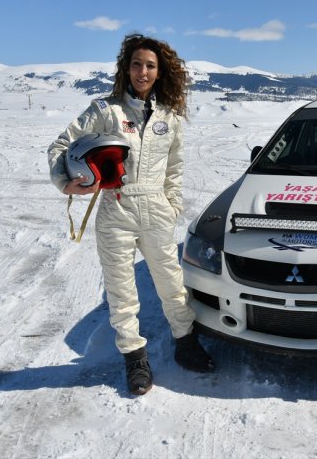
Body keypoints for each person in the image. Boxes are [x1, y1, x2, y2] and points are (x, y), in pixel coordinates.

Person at [47, 33, 214, 396]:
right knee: (121, 290)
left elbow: (175, 168)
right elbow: (62, 144)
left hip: (155, 208)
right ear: (127, 68)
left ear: (160, 72)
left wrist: (171, 206)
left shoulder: (169, 117)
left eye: (150, 66)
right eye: (136, 64)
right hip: (116, 208)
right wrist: (65, 181)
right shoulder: (106, 110)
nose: (142, 71)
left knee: (171, 282)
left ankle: (185, 343)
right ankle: (135, 358)